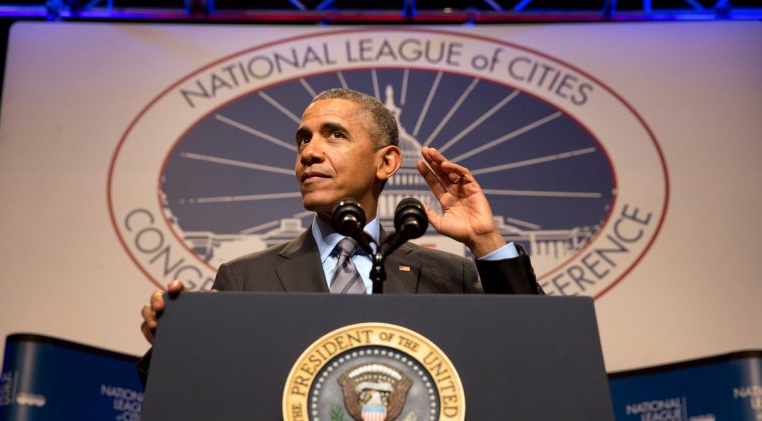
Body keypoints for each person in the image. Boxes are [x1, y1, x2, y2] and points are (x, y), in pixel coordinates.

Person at [141, 88, 542, 348]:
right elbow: (204, 395)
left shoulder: (448, 276)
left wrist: (486, 240)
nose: (309, 152)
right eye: (303, 138)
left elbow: (533, 351)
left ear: (386, 162)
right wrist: (173, 345)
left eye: (334, 134)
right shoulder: (244, 280)